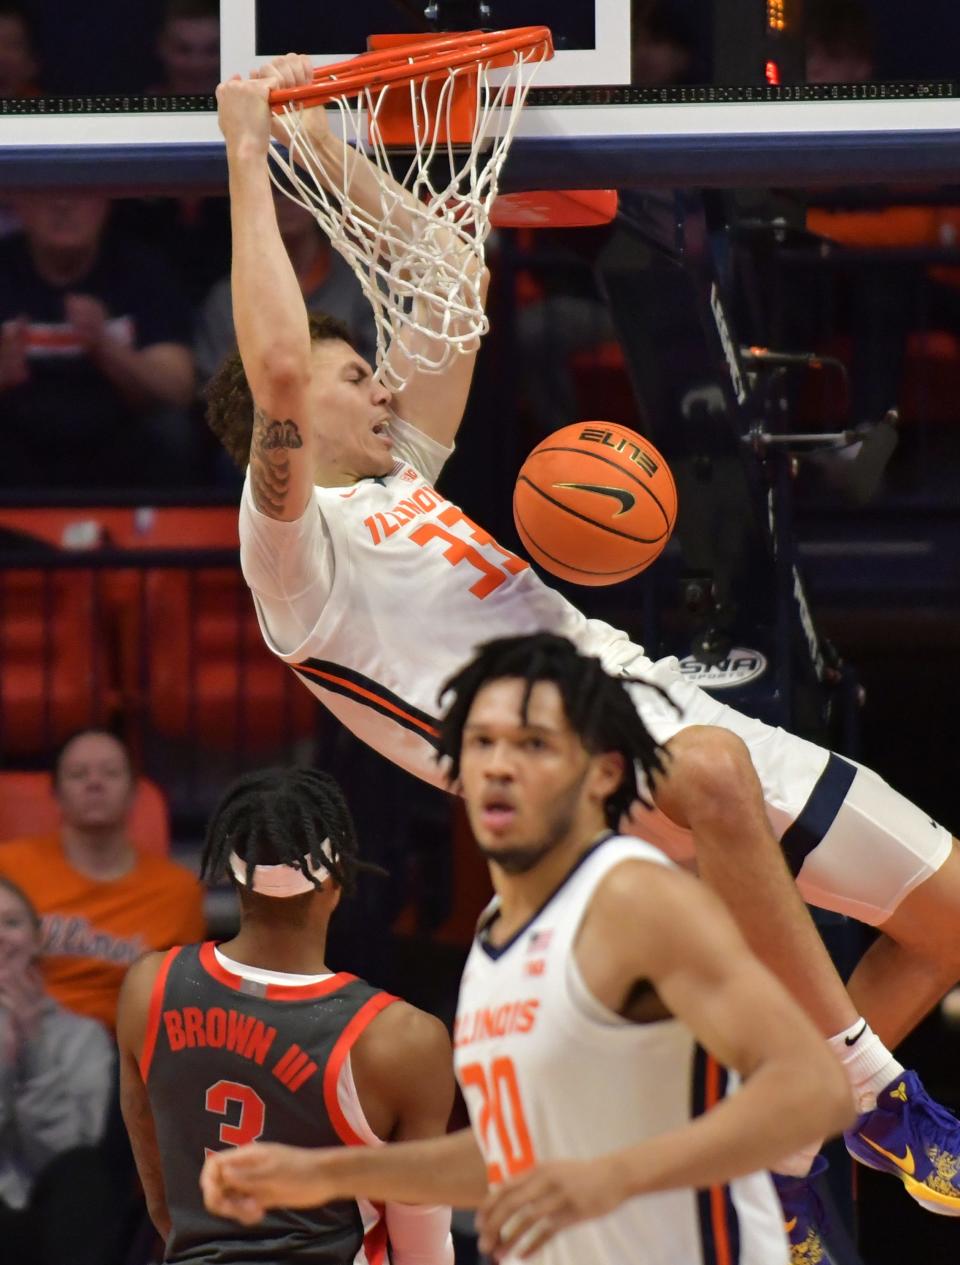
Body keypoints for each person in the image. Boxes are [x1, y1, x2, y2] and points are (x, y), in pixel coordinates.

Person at [207, 55, 960, 1222]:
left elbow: (449, 269)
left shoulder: (400, 475)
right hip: (549, 764)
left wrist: (326, 143)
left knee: (947, 913)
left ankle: (802, 1142)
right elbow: (278, 372)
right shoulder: (292, 555)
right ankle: (867, 1093)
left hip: (649, 695)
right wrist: (250, 149)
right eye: (357, 374)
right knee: (705, 774)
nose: (376, 384)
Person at [200, 634, 854, 1265]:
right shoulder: (494, 934)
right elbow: (511, 1154)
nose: (499, 765)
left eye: (533, 744)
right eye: (482, 742)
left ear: (603, 772)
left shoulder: (633, 897)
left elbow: (817, 1089)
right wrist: (320, 1172)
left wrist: (614, 1177)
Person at [116, 765, 456, 1263]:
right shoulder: (400, 1039)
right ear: (335, 881)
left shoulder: (149, 988)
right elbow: (422, 1247)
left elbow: (160, 1197)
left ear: (232, 873)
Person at [0, 728, 204, 1031]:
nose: (94, 783)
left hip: (124, 1043)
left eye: (110, 773)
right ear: (56, 796)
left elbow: (183, 996)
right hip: (21, 1027)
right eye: (78, 774)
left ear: (135, 793)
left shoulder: (178, 891)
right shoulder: (10, 867)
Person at [0, 192, 196, 488]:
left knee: (172, 431)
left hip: (116, 436)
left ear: (106, 201)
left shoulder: (142, 270)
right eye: (44, 191)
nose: (62, 203)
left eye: (81, 191)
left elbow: (178, 388)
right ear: (18, 202)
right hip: (18, 439)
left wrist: (105, 345)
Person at [0, 876, 122, 1265]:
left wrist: (33, 1049)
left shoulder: (83, 1037)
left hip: (58, 1224)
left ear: (37, 939)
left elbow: (70, 1159)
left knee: (84, 1174)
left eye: (12, 923)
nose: (0, 936)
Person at [195, 188, 377, 386]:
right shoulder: (226, 298)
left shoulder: (363, 282)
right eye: (273, 192)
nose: (286, 200)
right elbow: (217, 388)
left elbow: (382, 371)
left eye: (296, 189)